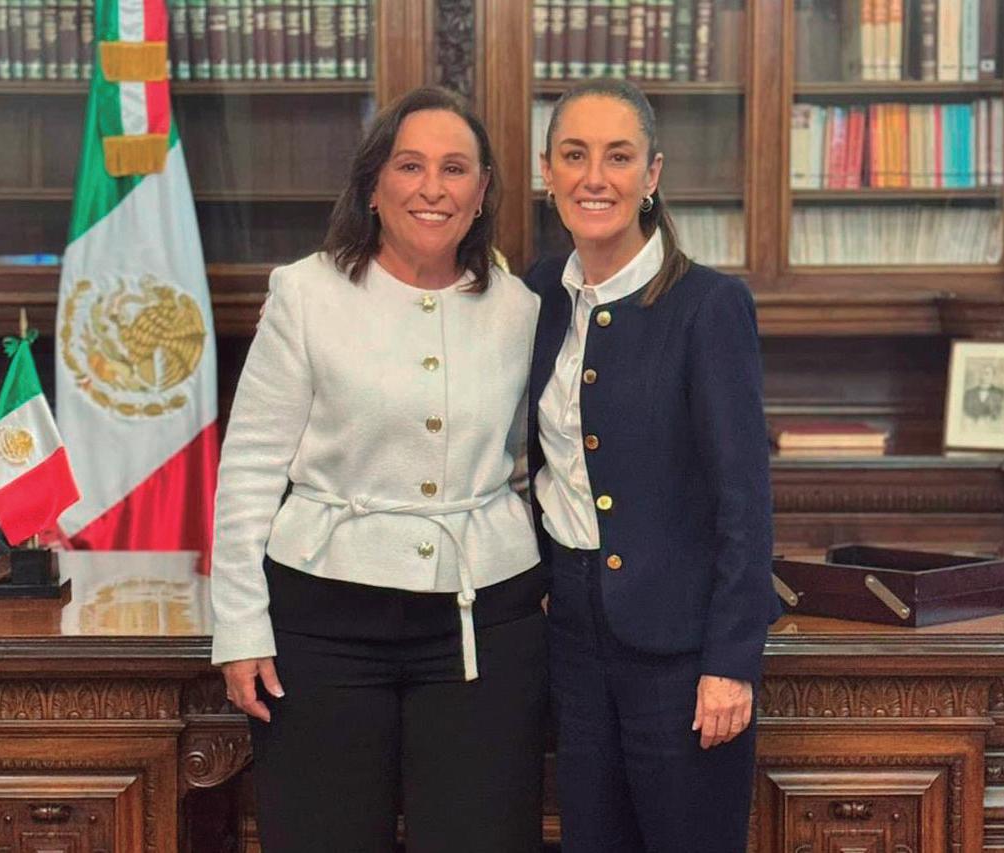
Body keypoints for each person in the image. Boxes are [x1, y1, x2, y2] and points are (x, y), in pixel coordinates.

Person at [210, 87, 547, 853]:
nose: (433, 188)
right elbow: (251, 466)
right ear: (372, 184)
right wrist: (239, 624)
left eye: (455, 169)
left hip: (483, 623)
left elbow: (539, 460)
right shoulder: (307, 293)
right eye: (410, 165)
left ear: (482, 192)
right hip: (322, 621)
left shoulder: (520, 309)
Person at [526, 78, 782, 852]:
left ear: (652, 175)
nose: (594, 177)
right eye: (575, 155)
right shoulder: (536, 295)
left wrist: (730, 662)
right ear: (547, 171)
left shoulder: (708, 305)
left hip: (682, 650)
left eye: (618, 156)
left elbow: (744, 500)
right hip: (571, 639)